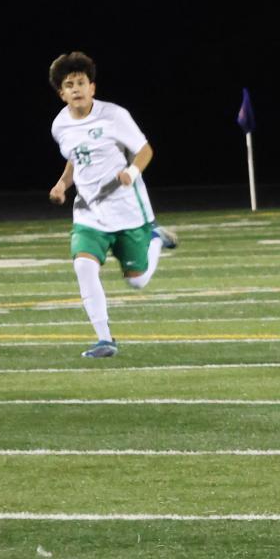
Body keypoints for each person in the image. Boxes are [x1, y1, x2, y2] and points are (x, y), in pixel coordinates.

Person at [46, 51, 177, 358]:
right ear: (61, 93)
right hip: (89, 212)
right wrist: (63, 184)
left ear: (93, 87)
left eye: (81, 82)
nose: (76, 88)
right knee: (83, 265)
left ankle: (155, 238)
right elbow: (75, 159)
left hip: (127, 210)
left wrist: (130, 173)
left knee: (138, 282)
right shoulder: (59, 126)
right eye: (69, 84)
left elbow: (145, 150)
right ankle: (105, 339)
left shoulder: (114, 115)